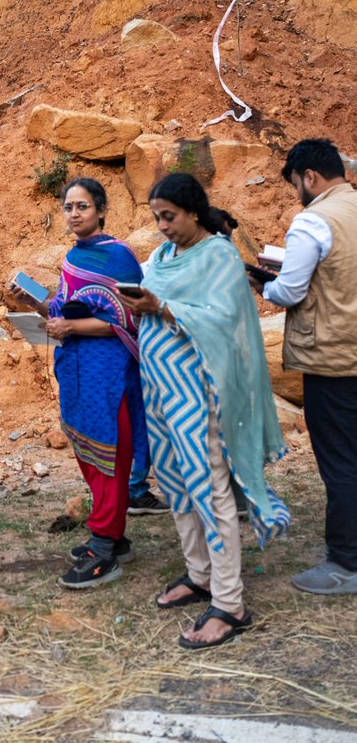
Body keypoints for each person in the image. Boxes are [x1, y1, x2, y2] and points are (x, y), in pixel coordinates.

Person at [122, 173, 289, 649]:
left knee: (210, 487)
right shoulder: (161, 257)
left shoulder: (219, 258)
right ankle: (199, 574)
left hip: (201, 396)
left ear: (194, 211)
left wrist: (163, 307)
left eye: (169, 217)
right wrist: (138, 304)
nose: (162, 227)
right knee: (175, 481)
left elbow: (225, 323)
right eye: (156, 218)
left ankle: (230, 602)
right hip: (161, 393)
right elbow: (156, 302)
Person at [11, 177, 149, 590]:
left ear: (102, 210)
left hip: (108, 370)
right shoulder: (74, 258)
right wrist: (35, 303)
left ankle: (104, 547)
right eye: (69, 207)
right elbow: (65, 307)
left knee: (111, 452)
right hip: (75, 368)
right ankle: (114, 535)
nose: (74, 213)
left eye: (83, 206)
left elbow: (128, 318)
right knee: (88, 451)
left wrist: (71, 324)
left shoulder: (121, 257)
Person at [255, 139, 357, 595]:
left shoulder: (313, 220)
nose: (297, 191)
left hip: (333, 359)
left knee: (341, 463)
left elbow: (291, 291)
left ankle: (346, 563)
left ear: (309, 177)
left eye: (296, 183)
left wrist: (265, 286)